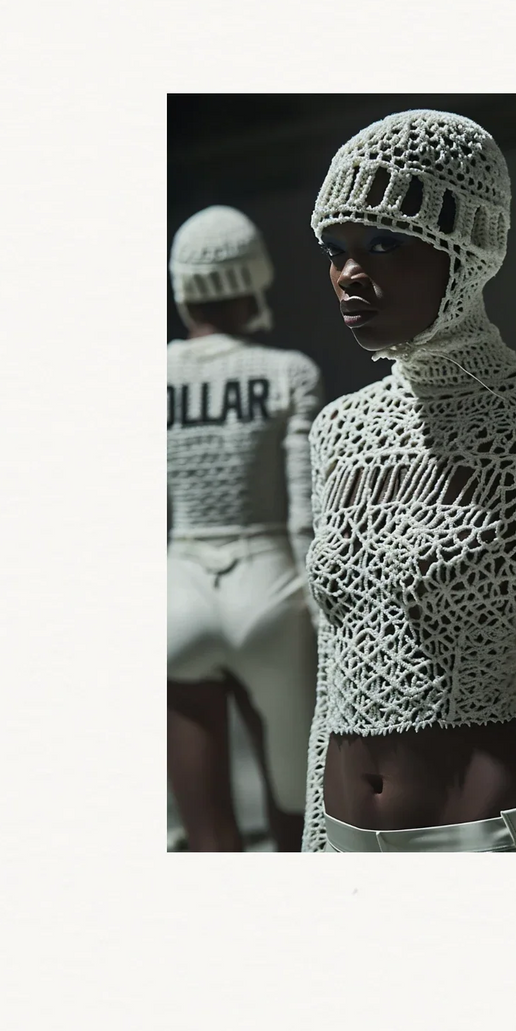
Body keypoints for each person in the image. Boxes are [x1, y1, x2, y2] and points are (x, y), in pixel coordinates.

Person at [302, 111, 516, 853]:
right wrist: (312, 845)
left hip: (480, 834)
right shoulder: (337, 432)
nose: (351, 272)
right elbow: (333, 676)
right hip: (344, 829)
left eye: (386, 242)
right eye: (336, 249)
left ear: (467, 250)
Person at [167, 205, 322, 852]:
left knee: (206, 839)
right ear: (253, 278)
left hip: (177, 590)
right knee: (296, 816)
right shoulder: (290, 371)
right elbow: (303, 513)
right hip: (271, 590)